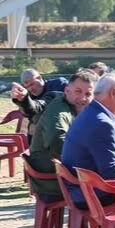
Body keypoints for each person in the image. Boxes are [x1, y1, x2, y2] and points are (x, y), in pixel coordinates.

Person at [61, 74, 115, 228]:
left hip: (82, 188)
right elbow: (110, 171)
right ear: (114, 93)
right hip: (90, 193)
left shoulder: (92, 113)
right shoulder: (101, 122)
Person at [27, 70, 97, 200]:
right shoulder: (59, 111)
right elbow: (57, 142)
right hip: (50, 181)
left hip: (55, 174)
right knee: (110, 189)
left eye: (88, 94)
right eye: (78, 91)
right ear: (67, 90)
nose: (82, 98)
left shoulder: (74, 109)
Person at [10, 68, 69, 137]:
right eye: (27, 87)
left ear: (39, 78)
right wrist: (21, 101)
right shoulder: (28, 95)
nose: (30, 89)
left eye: (32, 84)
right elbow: (29, 115)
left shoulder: (58, 85)